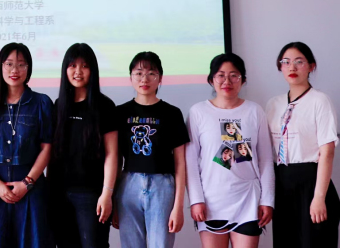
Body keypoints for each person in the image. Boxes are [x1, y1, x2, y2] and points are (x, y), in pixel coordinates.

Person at [0, 43, 53, 248]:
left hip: (31, 190)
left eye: (21, 65)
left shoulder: (41, 103)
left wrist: (27, 183)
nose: (15, 70)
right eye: (9, 64)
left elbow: (47, 147)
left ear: (29, 69)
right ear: (1, 66)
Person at [186, 53, 275, 248]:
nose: (227, 81)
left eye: (234, 75)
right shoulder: (198, 112)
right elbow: (190, 162)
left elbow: (266, 159)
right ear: (211, 80)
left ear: (243, 80)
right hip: (211, 201)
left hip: (248, 200)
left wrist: (267, 200)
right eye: (221, 75)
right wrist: (196, 200)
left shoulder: (255, 111)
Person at [265, 41, 340, 247]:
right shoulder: (273, 104)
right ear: (280, 67)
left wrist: (319, 198)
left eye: (299, 62)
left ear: (311, 66)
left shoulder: (320, 100)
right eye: (286, 62)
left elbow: (327, 152)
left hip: (311, 183)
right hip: (282, 184)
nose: (292, 67)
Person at [113, 51, 188, 248]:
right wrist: (113, 199)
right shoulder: (120, 113)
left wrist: (179, 206)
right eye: (138, 73)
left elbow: (180, 163)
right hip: (128, 184)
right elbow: (115, 159)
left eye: (151, 73)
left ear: (160, 78)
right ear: (130, 77)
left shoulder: (172, 113)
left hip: (162, 186)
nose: (144, 79)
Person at [48, 42, 118, 248]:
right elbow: (52, 154)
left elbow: (112, 154)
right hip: (59, 193)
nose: (78, 71)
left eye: (84, 66)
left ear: (93, 70)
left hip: (92, 195)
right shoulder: (59, 105)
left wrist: (107, 194)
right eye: (72, 65)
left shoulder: (105, 106)